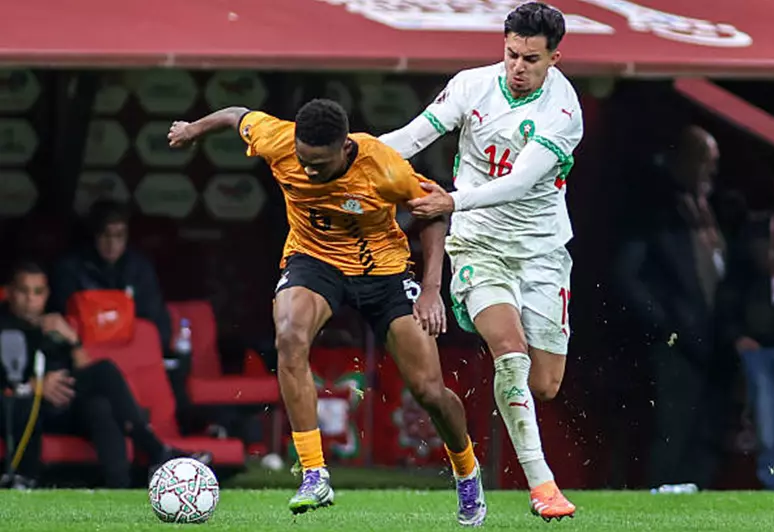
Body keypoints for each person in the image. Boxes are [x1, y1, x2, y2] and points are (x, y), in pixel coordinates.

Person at [167, 98, 486, 525]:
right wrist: (192, 129)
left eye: (319, 165)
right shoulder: (279, 141)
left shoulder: (384, 167)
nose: (309, 172)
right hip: (314, 261)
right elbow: (235, 115)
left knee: (429, 391)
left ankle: (467, 471)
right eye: (303, 161)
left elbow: (434, 212)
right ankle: (314, 473)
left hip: (383, 273)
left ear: (345, 148)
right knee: (289, 336)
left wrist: (431, 290)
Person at [379, 1, 581, 521]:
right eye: (512, 54)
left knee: (544, 385)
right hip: (478, 245)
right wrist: (355, 154)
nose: (518, 67)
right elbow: (414, 136)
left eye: (531, 59)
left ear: (554, 58)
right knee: (509, 353)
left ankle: (523, 423)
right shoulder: (471, 85)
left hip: (540, 253)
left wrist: (451, 200)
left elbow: (519, 183)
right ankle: (543, 485)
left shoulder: (563, 112)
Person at [0, 261, 210, 490]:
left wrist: (73, 340)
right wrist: (35, 386)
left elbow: (83, 368)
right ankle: (156, 450)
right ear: (9, 292)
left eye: (38, 292)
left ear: (46, 294)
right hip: (21, 410)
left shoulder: (52, 326)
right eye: (23, 291)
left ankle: (119, 488)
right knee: (96, 375)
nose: (31, 299)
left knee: (100, 402)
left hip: (61, 408)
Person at [614, 126, 733, 490]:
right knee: (673, 427)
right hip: (676, 343)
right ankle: (661, 496)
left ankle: (695, 498)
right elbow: (627, 275)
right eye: (705, 160)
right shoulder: (656, 209)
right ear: (684, 160)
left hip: (715, 340)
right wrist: (666, 325)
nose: (712, 170)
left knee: (707, 429)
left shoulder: (712, 209)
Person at [49, 201, 191, 428]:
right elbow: (62, 323)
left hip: (133, 359)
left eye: (119, 236)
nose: (112, 244)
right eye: (106, 235)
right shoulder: (70, 268)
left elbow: (156, 323)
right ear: (94, 236)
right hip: (90, 362)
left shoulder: (139, 268)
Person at [721, 148, 774, 490]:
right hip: (762, 350)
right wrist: (737, 334)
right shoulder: (756, 229)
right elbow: (731, 288)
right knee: (769, 439)